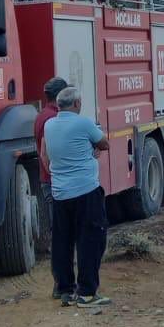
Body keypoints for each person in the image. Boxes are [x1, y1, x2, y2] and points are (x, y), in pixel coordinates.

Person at [43, 84, 110, 308]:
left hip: (60, 193)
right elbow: (105, 143)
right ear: (77, 104)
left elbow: (45, 155)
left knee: (62, 242)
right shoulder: (83, 122)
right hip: (85, 191)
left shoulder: (49, 125)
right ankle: (87, 293)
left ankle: (65, 290)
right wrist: (92, 149)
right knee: (90, 240)